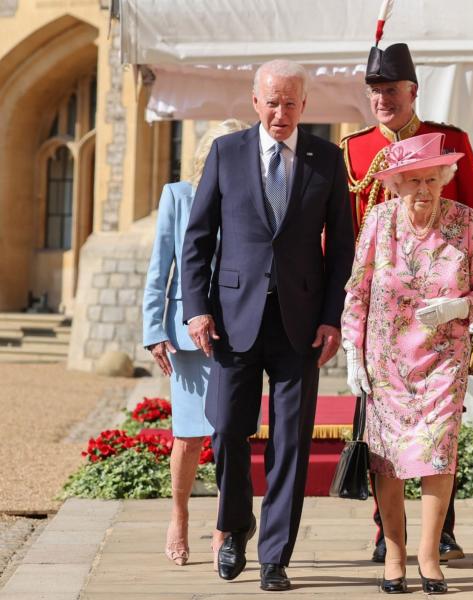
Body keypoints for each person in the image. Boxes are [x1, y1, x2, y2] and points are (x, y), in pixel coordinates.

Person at [181, 59, 354, 591]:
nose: (281, 113)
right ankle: (234, 527)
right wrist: (196, 309)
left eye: (290, 102)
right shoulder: (227, 154)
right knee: (229, 430)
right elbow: (198, 238)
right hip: (233, 322)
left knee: (292, 441)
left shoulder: (327, 159)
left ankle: (276, 554)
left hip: (300, 324)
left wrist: (332, 318)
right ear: (255, 102)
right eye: (271, 102)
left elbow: (342, 247)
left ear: (305, 105)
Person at [341, 39, 473, 563]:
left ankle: (439, 536)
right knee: (383, 444)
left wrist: (471, 306)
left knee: (438, 439)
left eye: (392, 90)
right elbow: (348, 237)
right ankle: (387, 536)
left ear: (413, 91)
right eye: (375, 91)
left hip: (442, 315)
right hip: (385, 320)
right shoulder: (357, 147)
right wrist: (350, 335)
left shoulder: (449, 139)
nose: (383, 99)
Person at [142, 118, 247, 566]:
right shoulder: (178, 196)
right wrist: (154, 331)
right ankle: (180, 515)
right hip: (187, 334)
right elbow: (159, 264)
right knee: (187, 437)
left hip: (242, 330)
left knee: (230, 433)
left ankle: (227, 522)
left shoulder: (249, 198)